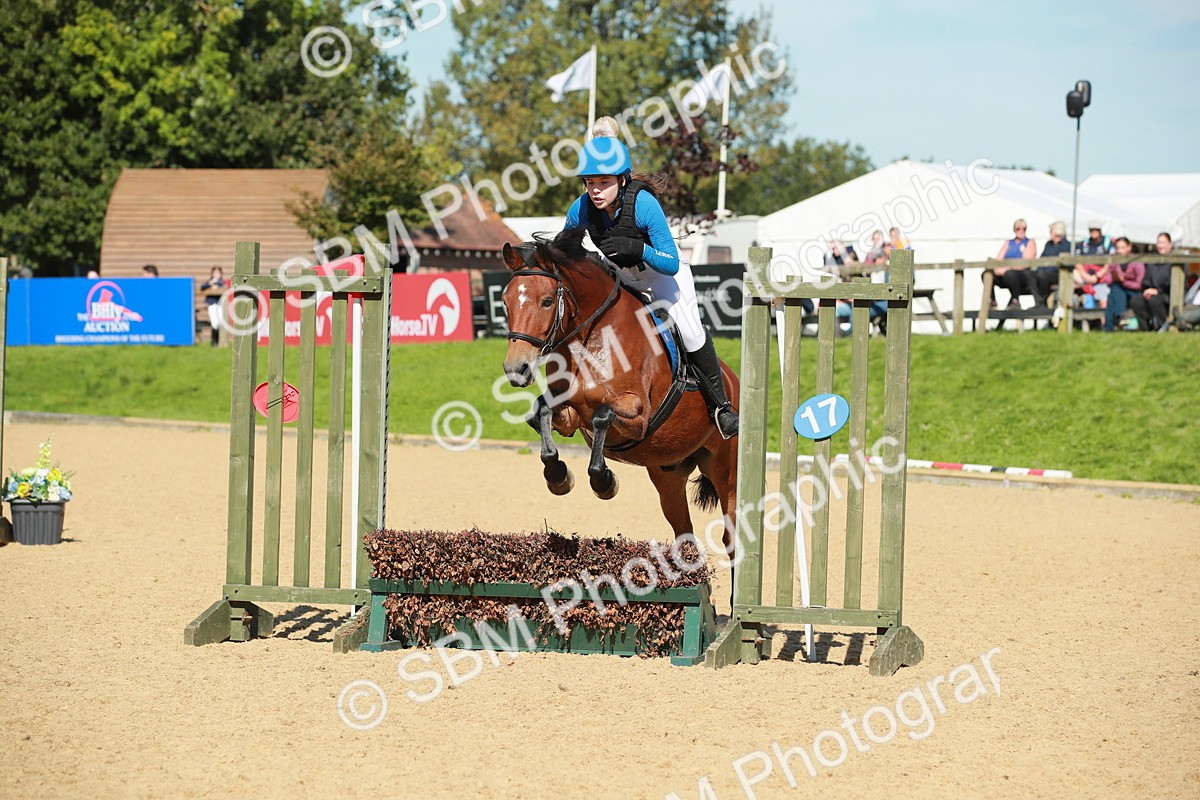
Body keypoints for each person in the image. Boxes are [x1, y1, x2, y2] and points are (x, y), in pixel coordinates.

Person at [563, 130, 738, 438]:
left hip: (664, 277)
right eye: (590, 182)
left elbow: (670, 262)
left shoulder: (643, 204)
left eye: (603, 182)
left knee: (690, 331)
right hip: (623, 279)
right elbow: (563, 251)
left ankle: (721, 407)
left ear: (623, 180)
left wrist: (639, 249)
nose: (595, 190)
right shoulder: (580, 210)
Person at [1129, 232, 1178, 332]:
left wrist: (1158, 291)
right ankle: (1145, 328)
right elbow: (1146, 281)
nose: (1160, 246)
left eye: (1163, 243)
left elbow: (1173, 284)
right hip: (1153, 293)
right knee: (1135, 301)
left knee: (1155, 301)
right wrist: (1147, 290)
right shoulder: (1153, 262)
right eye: (1159, 243)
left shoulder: (1176, 261)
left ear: (1170, 244)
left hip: (1170, 294)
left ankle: (1163, 327)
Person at [988, 219, 1036, 308]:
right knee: (987, 274)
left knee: (1011, 274)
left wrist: (1007, 268)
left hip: (1022, 275)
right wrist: (997, 269)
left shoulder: (1030, 242)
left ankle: (1015, 300)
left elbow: (1026, 263)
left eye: (1024, 228)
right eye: (1018, 228)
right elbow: (998, 259)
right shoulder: (1008, 243)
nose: (1021, 231)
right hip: (1005, 274)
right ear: (1014, 230)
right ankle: (992, 300)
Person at [1104, 237, 1144, 332]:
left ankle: (1112, 324)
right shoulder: (1114, 261)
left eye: (1123, 248)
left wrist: (1124, 281)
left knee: (1115, 292)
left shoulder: (1137, 262)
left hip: (1134, 291)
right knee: (1114, 290)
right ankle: (1120, 318)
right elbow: (1108, 279)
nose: (1120, 251)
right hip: (1118, 289)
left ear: (1129, 248)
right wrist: (1115, 277)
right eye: (1118, 248)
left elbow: (1139, 284)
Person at [1033, 220, 1071, 306]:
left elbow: (1061, 264)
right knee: (1030, 275)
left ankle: (1043, 300)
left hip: (1058, 274)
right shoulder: (1048, 244)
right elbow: (1041, 259)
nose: (1049, 233)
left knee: (1043, 276)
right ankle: (1039, 302)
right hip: (1044, 272)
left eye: (1051, 231)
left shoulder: (1066, 245)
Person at [199, 266, 226, 346]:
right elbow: (202, 287)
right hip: (212, 304)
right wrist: (211, 284)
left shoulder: (222, 283)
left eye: (218, 272)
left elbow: (224, 288)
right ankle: (214, 342)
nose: (217, 274)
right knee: (214, 322)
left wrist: (217, 286)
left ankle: (219, 341)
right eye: (215, 273)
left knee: (220, 322)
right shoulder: (209, 282)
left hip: (220, 304)